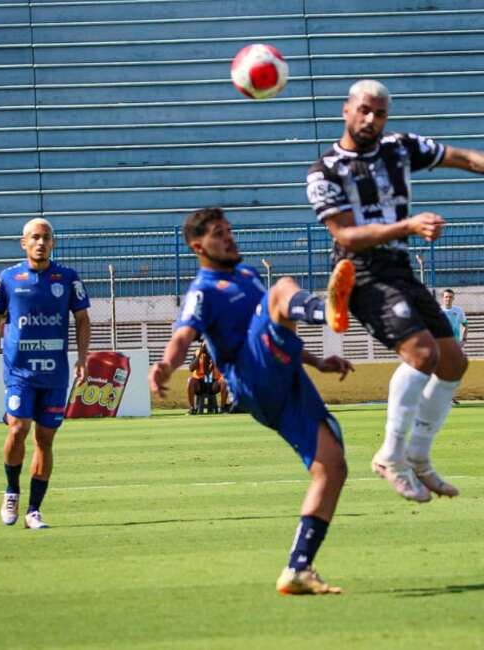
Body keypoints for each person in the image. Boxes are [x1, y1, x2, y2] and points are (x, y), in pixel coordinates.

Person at [306, 79, 484, 503]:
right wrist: (409, 225)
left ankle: (419, 458)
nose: (371, 120)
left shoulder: (399, 147)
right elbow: (347, 236)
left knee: (454, 363)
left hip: (399, 267)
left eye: (380, 113)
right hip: (360, 272)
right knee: (422, 355)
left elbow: (460, 157)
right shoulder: (325, 171)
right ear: (346, 110)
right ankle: (389, 455)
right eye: (364, 110)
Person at [149, 207, 355, 595]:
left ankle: (299, 568)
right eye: (218, 233)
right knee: (284, 287)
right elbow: (183, 336)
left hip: (285, 376)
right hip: (252, 377)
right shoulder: (203, 289)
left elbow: (275, 328)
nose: (229, 237)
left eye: (229, 230)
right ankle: (325, 309)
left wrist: (318, 362)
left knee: (333, 466)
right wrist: (164, 364)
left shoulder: (247, 274)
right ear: (198, 246)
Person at [0, 217, 91, 529]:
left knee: (45, 439)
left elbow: (82, 319)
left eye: (46, 238)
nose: (41, 243)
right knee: (17, 428)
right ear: (24, 243)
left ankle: (33, 511)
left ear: (53, 243)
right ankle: (11, 490)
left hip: (54, 374)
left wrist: (82, 358)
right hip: (20, 371)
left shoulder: (67, 278)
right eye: (35, 237)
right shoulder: (9, 277)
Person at [440, 289, 468, 405]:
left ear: (453, 298)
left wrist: (463, 340)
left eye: (450, 297)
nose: (448, 299)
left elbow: (465, 325)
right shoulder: (438, 311)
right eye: (446, 297)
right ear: (443, 298)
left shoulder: (458, 311)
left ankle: (449, 397)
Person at [187, 341, 228, 413]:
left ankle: (222, 408)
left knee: (224, 381)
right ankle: (192, 408)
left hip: (214, 383)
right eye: (205, 347)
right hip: (200, 383)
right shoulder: (197, 353)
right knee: (190, 380)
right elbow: (191, 368)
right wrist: (199, 355)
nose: (207, 348)